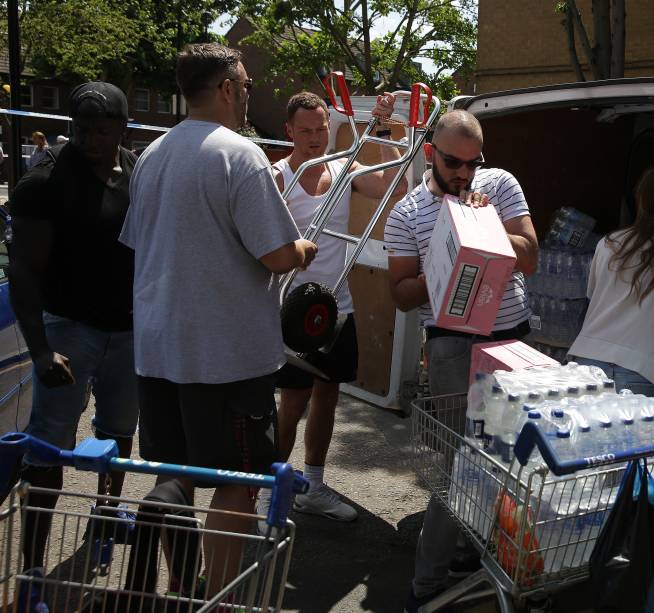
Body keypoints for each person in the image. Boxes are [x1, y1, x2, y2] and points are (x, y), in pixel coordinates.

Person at [120, 42, 316, 595]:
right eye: (248, 85)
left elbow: (141, 244)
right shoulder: (240, 154)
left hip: (158, 350)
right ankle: (221, 599)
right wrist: (302, 249)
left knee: (173, 476)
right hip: (226, 356)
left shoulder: (152, 155)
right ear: (228, 87)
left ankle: (184, 586)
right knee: (237, 480)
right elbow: (277, 256)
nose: (250, 95)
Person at [383, 109, 538, 611]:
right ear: (430, 151)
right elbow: (402, 294)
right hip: (452, 345)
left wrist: (484, 229)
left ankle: (474, 555)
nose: (465, 174)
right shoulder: (406, 213)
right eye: (454, 162)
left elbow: (531, 255)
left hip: (511, 337)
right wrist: (445, 260)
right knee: (461, 467)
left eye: (474, 163)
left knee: (515, 459)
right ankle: (425, 585)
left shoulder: (500, 185)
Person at [254, 91, 407, 527]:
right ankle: (272, 493)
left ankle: (314, 486)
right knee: (292, 403)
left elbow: (390, 188)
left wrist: (380, 130)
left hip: (336, 307)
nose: (316, 137)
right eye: (306, 130)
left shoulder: (345, 168)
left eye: (321, 128)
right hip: (291, 312)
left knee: (328, 397)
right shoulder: (278, 177)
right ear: (289, 131)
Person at [7, 82, 139, 572]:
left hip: (128, 331)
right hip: (67, 330)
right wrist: (40, 350)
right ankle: (33, 566)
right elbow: (22, 270)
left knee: (118, 435)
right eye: (80, 129)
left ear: (122, 128)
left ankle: (104, 522)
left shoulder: (138, 174)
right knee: (48, 444)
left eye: (101, 130)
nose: (89, 139)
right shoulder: (43, 183)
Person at [568, 165, 654, 408]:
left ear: (641, 200)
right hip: (649, 373)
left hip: (588, 362)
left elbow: (592, 296)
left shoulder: (609, 245)